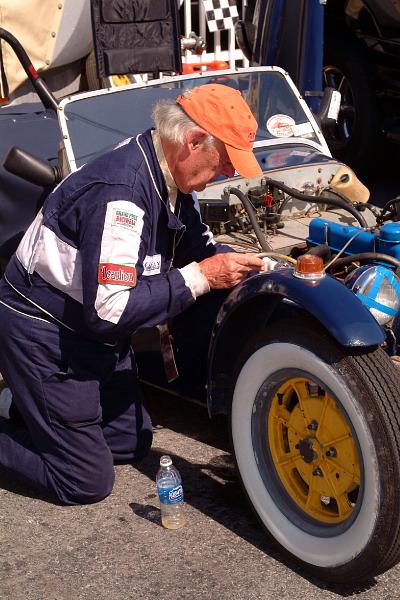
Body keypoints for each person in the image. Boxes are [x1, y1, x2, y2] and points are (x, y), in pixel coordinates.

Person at [0, 83, 264, 505]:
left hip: (93, 336)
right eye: (225, 163)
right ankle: (32, 402)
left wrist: (247, 266)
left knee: (130, 443)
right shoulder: (122, 196)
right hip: (45, 332)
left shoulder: (165, 170)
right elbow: (109, 310)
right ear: (194, 142)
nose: (227, 175)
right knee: (84, 481)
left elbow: (196, 247)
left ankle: (36, 410)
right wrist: (199, 278)